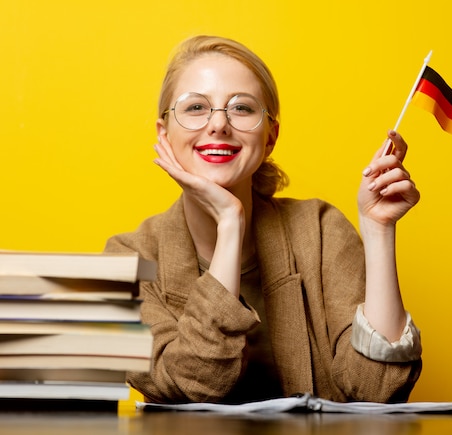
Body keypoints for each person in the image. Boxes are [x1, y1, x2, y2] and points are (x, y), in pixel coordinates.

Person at [105, 35, 422, 404]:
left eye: (241, 108)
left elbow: (377, 388)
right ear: (164, 133)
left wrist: (379, 228)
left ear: (270, 136)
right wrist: (229, 222)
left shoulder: (321, 229)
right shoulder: (128, 258)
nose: (219, 125)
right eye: (195, 108)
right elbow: (190, 385)